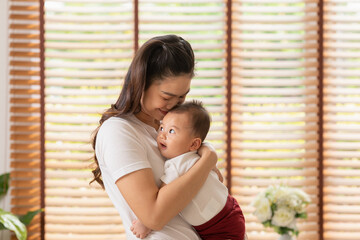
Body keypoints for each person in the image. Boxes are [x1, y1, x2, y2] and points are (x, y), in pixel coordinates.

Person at [90, 34, 219, 240]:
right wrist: (208, 158)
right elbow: (153, 217)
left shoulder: (166, 129)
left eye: (182, 97)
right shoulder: (118, 132)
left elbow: (212, 186)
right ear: (142, 83)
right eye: (166, 97)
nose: (175, 105)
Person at [130, 100, 246, 240]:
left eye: (171, 131)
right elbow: (219, 177)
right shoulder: (199, 155)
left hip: (217, 226)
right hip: (230, 209)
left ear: (194, 144)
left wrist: (145, 223)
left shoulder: (176, 165)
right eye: (161, 128)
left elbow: (165, 202)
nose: (162, 135)